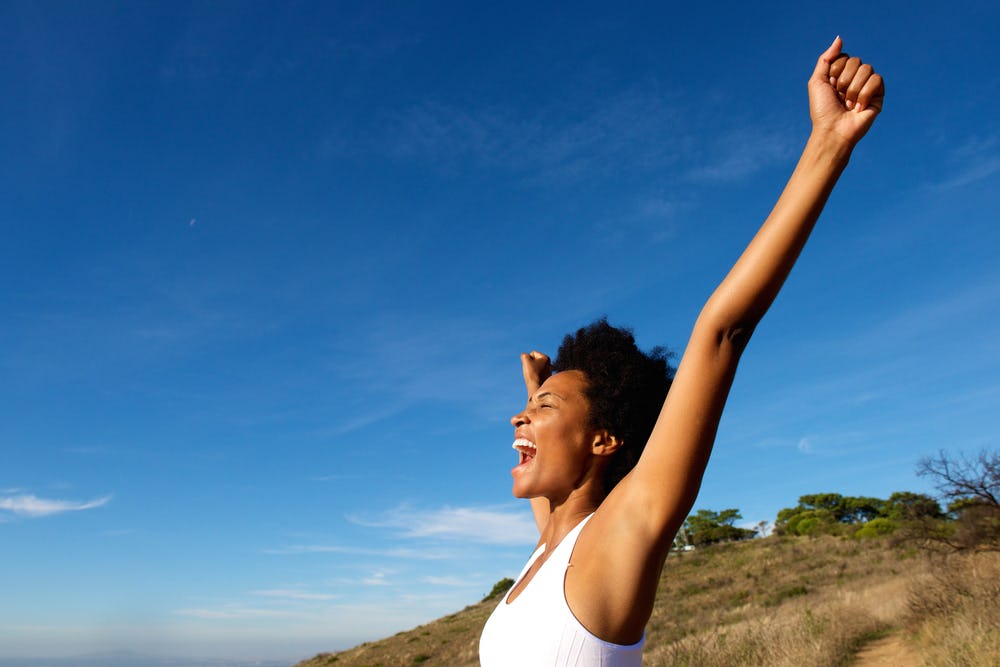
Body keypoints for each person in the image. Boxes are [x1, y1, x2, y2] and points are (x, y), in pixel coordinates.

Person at [479, 37, 884, 666]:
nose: (519, 417)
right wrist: (541, 394)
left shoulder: (622, 536)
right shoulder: (548, 550)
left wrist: (829, 143)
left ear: (605, 441)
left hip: (831, 139)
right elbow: (557, 462)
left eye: (544, 407)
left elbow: (722, 331)